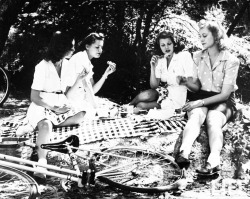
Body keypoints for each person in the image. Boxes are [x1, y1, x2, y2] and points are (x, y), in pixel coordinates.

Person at [16, 31, 87, 178]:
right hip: (43, 103)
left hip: (60, 102)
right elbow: (34, 97)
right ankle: (42, 163)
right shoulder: (42, 66)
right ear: (61, 47)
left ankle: (33, 126)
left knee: (82, 115)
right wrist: (54, 109)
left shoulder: (66, 64)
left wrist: (79, 79)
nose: (74, 50)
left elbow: (66, 94)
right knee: (46, 125)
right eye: (71, 47)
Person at [175, 19, 240, 173]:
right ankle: (183, 153)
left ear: (216, 36)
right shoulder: (197, 56)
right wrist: (185, 82)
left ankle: (213, 160)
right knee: (196, 115)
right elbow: (197, 86)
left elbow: (224, 94)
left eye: (205, 35)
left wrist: (199, 102)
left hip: (223, 100)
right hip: (202, 95)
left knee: (213, 119)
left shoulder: (231, 60)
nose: (201, 39)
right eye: (200, 36)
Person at [129, 31, 198, 113]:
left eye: (169, 43)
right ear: (159, 47)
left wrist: (184, 82)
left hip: (176, 100)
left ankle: (129, 108)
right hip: (163, 93)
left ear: (174, 44)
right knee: (146, 95)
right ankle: (127, 106)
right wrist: (153, 67)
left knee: (141, 106)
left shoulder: (184, 56)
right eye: (163, 45)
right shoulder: (161, 60)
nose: (166, 47)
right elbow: (154, 86)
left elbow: (194, 86)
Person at [66, 32, 116, 114]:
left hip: (81, 99)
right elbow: (86, 86)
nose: (100, 50)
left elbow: (92, 90)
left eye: (101, 47)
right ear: (87, 46)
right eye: (97, 47)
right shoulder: (80, 57)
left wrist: (105, 75)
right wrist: (96, 108)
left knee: (110, 107)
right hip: (72, 101)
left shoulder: (87, 62)